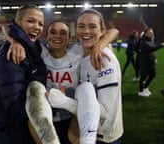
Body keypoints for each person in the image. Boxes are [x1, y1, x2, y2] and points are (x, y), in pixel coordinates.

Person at [48, 9, 123, 144]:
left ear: (102, 31)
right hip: (81, 129)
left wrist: (64, 102)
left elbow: (105, 112)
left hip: (104, 136)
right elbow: (114, 31)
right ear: (75, 30)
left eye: (92, 26)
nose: (86, 31)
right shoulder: (77, 50)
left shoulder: (105, 61)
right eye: (81, 26)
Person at [0, 5, 50, 144]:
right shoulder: (12, 53)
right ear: (18, 21)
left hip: (25, 125)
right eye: (31, 21)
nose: (37, 27)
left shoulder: (32, 47)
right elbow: (13, 103)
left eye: (41, 24)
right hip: (16, 130)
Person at [138, 27, 164, 97]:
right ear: (145, 34)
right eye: (150, 33)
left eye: (152, 33)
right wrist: (161, 45)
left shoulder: (150, 40)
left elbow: (151, 51)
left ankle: (145, 87)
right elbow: (151, 48)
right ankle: (141, 91)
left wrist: (154, 58)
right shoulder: (143, 41)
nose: (152, 34)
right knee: (143, 77)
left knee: (152, 75)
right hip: (145, 62)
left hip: (150, 61)